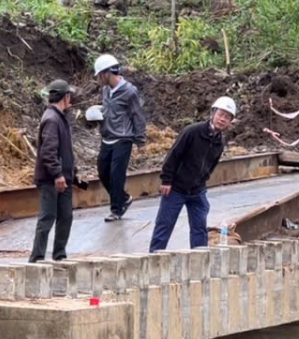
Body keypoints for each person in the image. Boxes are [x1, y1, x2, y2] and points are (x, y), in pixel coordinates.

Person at [149, 97, 237, 252]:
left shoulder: (220, 142)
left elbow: (212, 164)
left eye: (227, 117)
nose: (222, 119)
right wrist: (167, 180)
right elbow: (173, 155)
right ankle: (153, 259)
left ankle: (199, 260)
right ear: (213, 113)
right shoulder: (192, 131)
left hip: (197, 191)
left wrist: (202, 181)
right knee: (164, 226)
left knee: (199, 228)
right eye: (221, 114)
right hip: (176, 188)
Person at [29, 80, 83, 262]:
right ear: (65, 97)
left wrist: (72, 174)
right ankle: (36, 258)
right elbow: (48, 152)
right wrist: (57, 175)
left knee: (65, 216)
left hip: (62, 178)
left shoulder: (59, 118)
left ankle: (59, 254)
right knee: (48, 217)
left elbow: (65, 151)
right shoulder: (52, 119)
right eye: (70, 96)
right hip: (51, 180)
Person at [94, 54, 148, 222]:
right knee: (103, 172)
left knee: (117, 175)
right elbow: (107, 111)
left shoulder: (129, 92)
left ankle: (116, 210)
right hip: (107, 137)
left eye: (100, 75)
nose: (99, 79)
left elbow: (137, 116)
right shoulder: (105, 91)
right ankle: (124, 198)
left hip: (123, 139)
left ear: (108, 73)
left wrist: (140, 141)